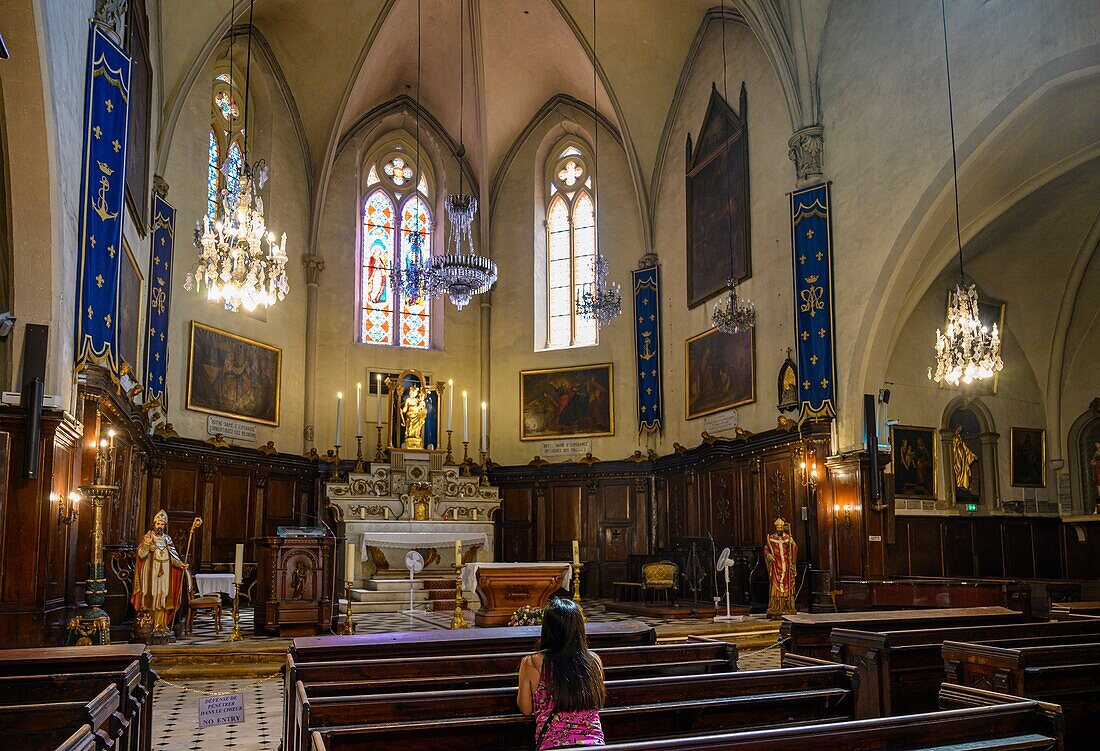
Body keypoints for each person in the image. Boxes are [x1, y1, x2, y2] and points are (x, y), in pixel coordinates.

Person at [517, 598, 606, 749]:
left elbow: (526, 708)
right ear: (579, 627)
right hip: (594, 745)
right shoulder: (593, 661)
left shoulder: (533, 663)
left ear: (547, 628)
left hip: (554, 745)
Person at [132, 509, 188, 641]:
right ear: (154, 524)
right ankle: (149, 625)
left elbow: (173, 556)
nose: (160, 527)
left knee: (163, 595)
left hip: (165, 572)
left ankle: (161, 625)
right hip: (151, 573)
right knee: (152, 596)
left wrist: (180, 565)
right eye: (158, 524)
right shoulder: (148, 537)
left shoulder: (167, 539)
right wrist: (146, 545)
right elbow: (141, 555)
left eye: (162, 524)